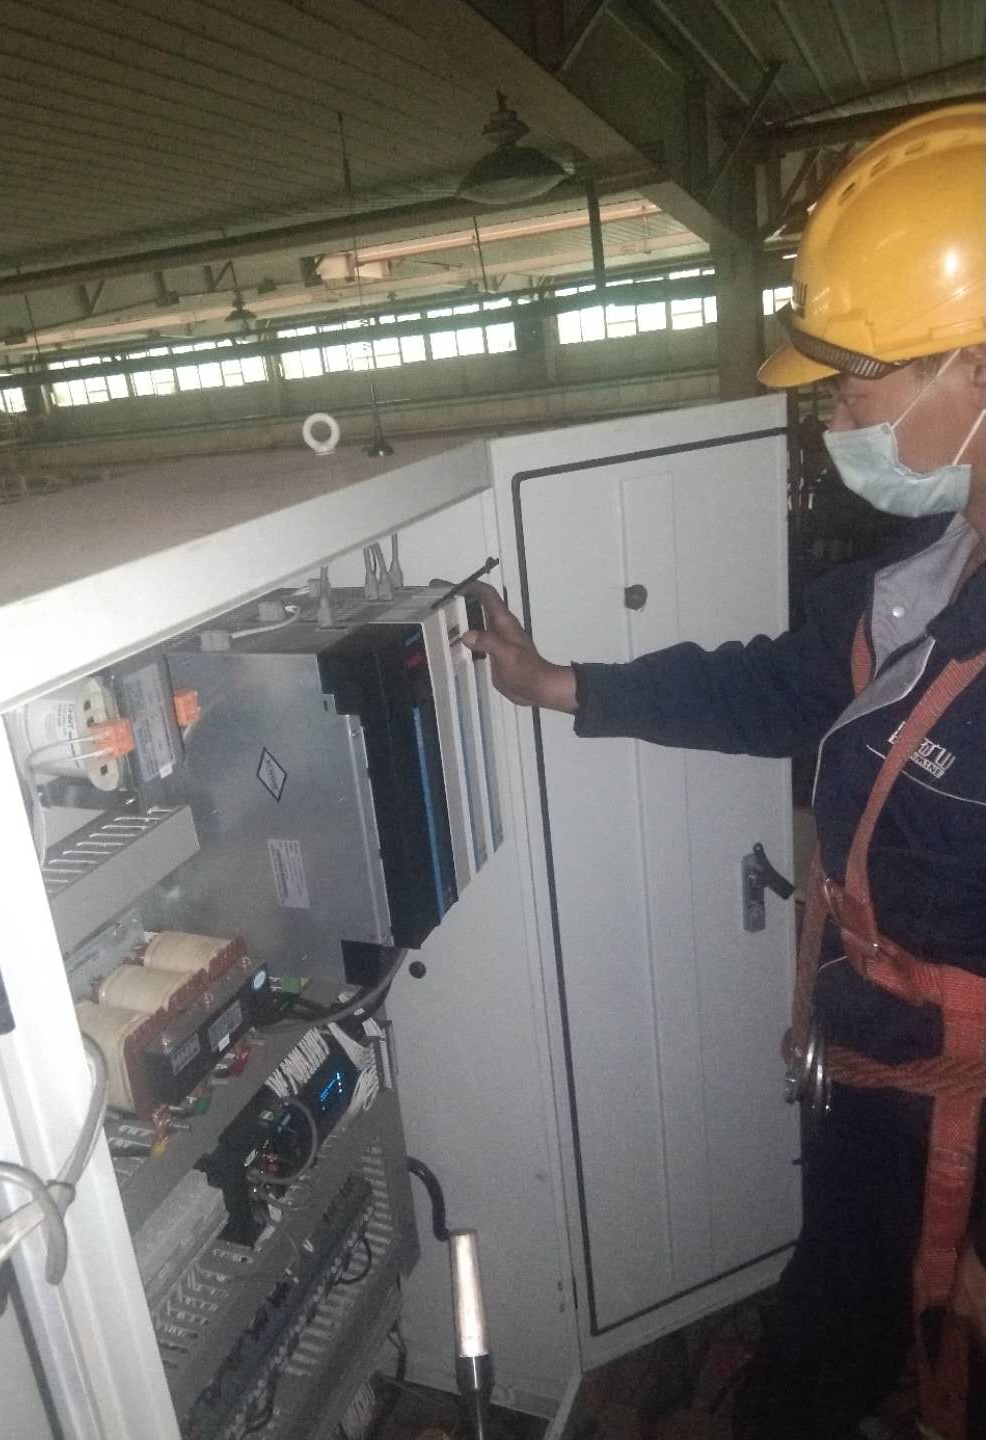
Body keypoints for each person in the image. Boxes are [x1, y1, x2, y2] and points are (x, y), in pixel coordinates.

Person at [463, 102, 986, 1440]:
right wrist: (565, 685)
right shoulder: (925, 573)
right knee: (835, 1332)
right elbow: (780, 685)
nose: (834, 412)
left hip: (964, 1106)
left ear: (975, 367)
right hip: (879, 1075)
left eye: (856, 378)